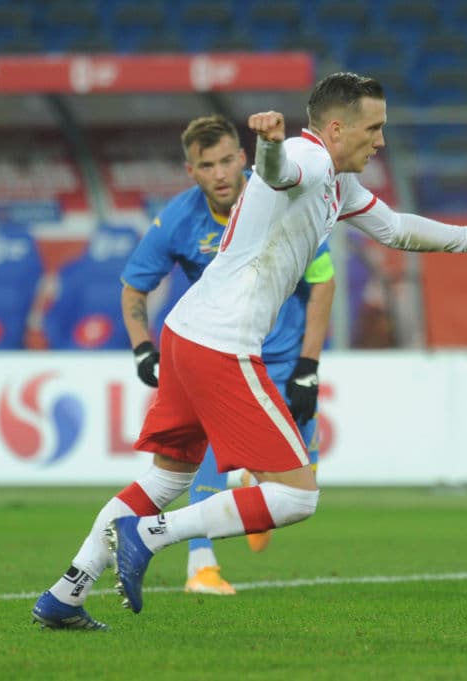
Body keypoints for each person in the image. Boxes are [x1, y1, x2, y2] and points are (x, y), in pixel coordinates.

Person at [31, 71, 467, 630]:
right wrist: (269, 145)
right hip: (221, 344)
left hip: (186, 333)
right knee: (296, 497)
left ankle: (66, 593)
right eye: (374, 128)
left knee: (165, 480)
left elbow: (395, 229)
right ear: (338, 127)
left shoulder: (338, 184)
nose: (381, 141)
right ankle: (151, 534)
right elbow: (277, 172)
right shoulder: (307, 156)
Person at [118, 114, 335, 597]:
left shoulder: (282, 195)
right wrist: (142, 350)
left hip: (283, 359)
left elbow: (323, 280)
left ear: (244, 158)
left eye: (225, 161)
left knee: (303, 480)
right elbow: (135, 286)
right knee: (205, 459)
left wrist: (308, 365)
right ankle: (202, 566)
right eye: (205, 165)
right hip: (223, 355)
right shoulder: (177, 219)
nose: (218, 173)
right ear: (190, 171)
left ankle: (252, 491)